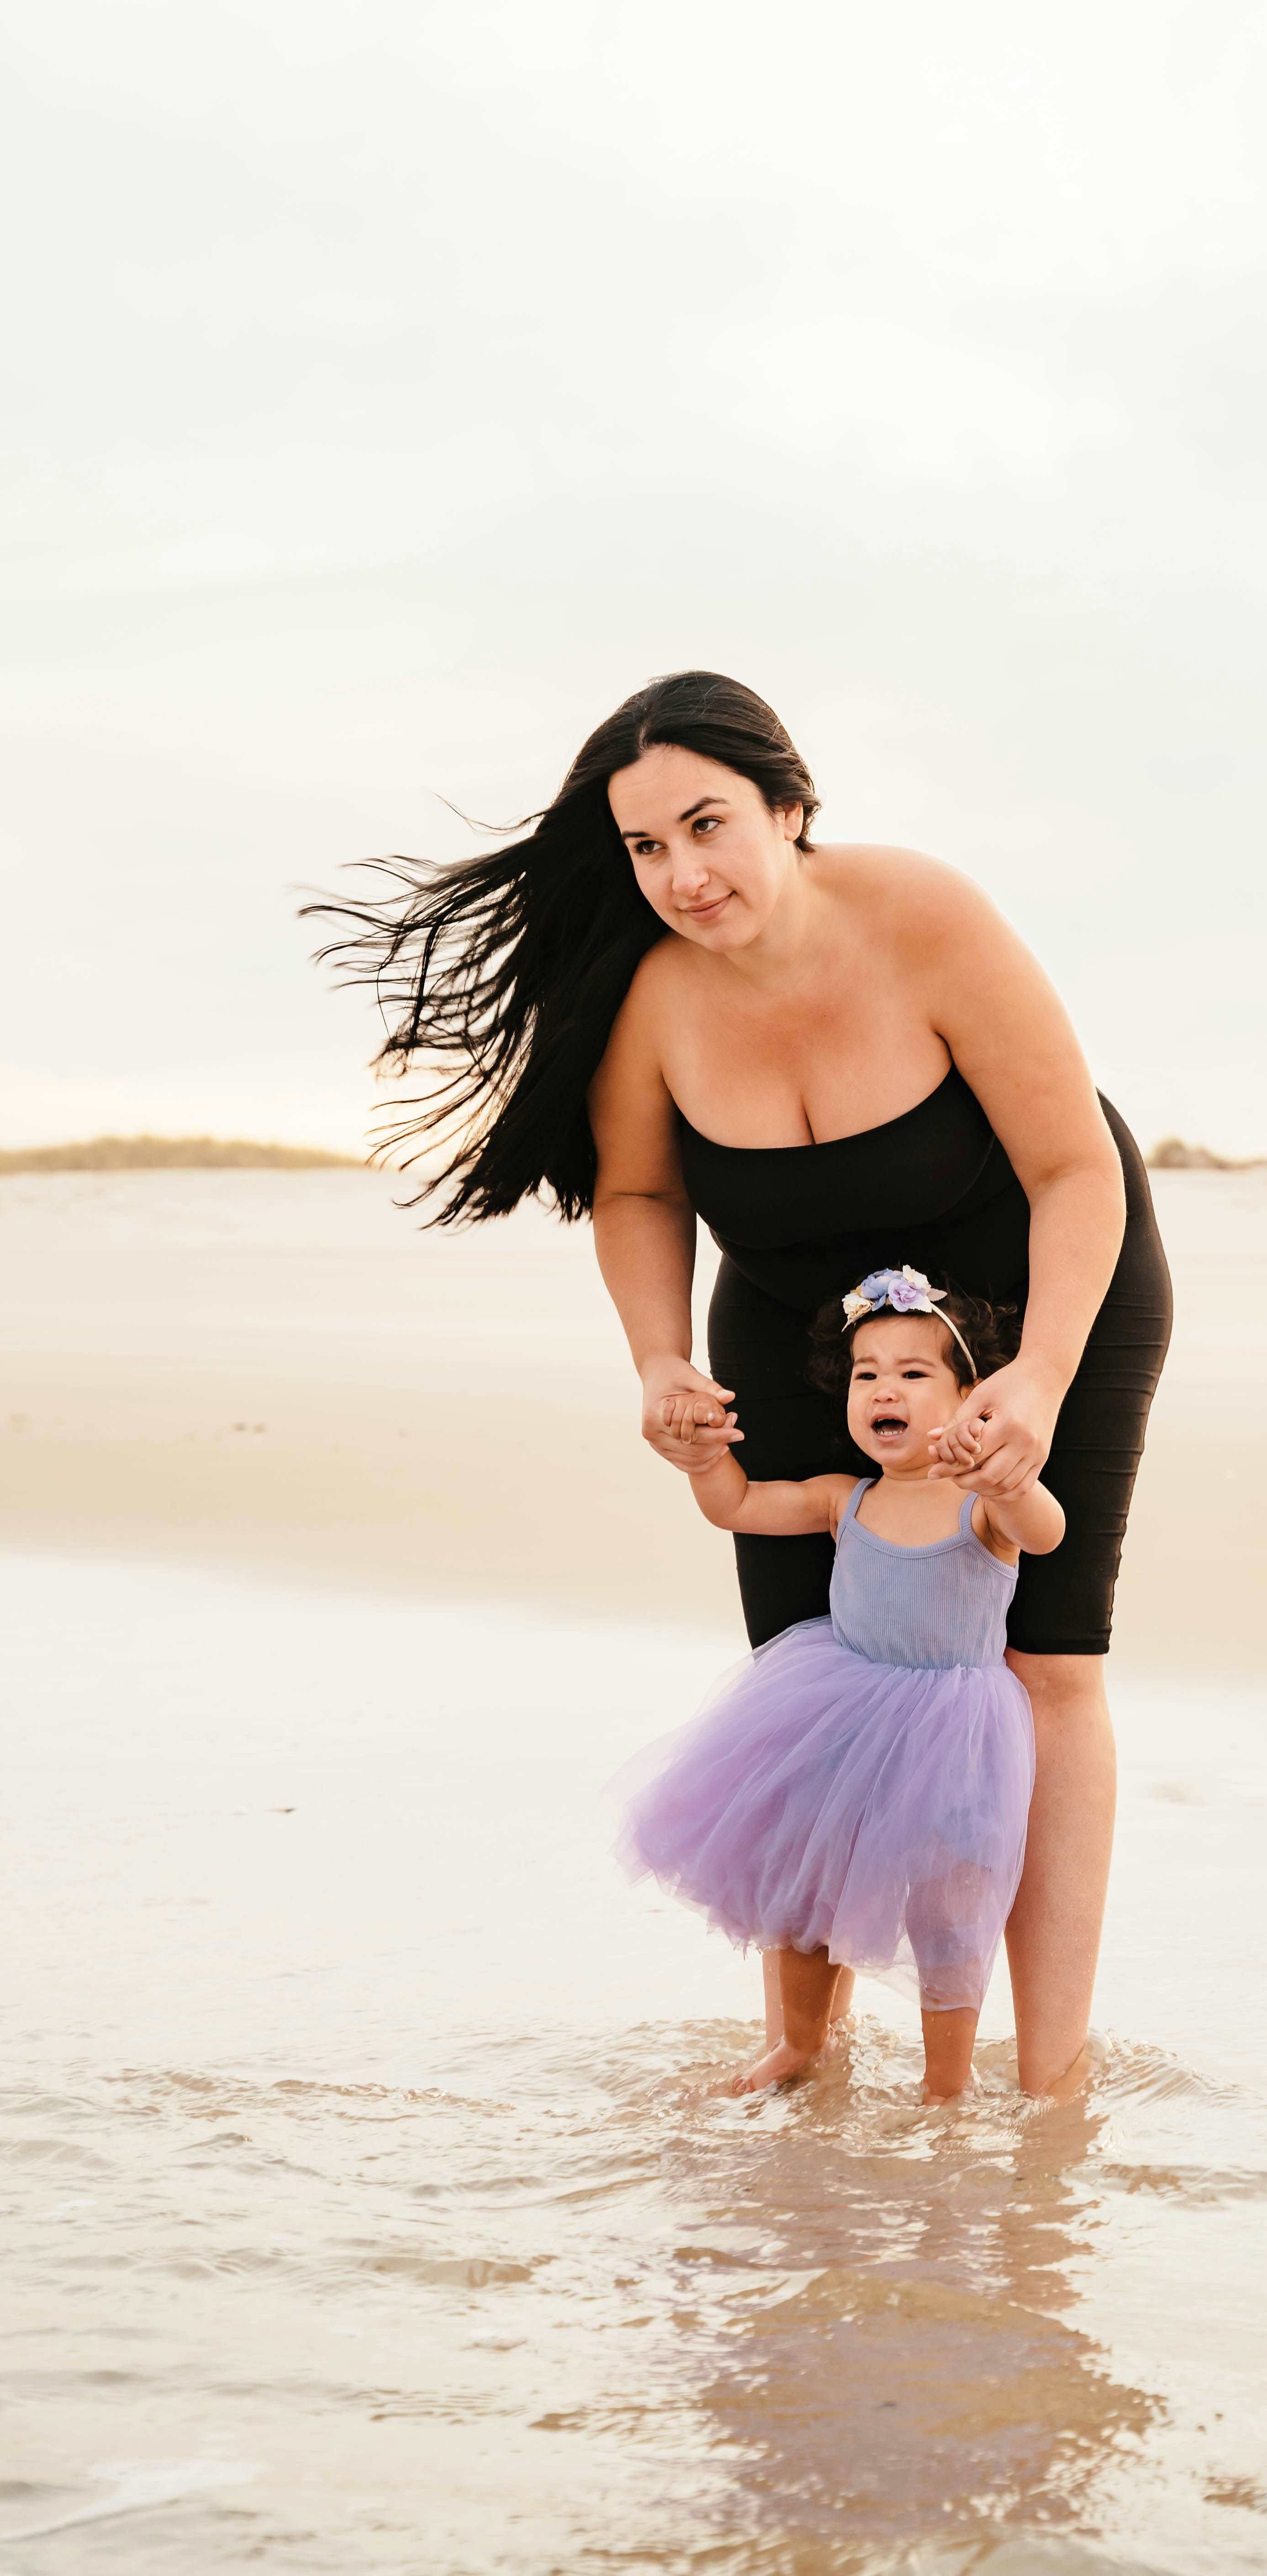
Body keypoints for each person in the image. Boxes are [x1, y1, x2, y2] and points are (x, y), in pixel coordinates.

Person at [307, 669, 1172, 2100]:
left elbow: (1075, 1166)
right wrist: (659, 1362)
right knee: (811, 1671)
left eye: (708, 825)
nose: (683, 875)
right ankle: (801, 2052)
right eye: (647, 847)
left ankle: (1048, 2070)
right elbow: (639, 1191)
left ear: (790, 805)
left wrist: (1036, 1376)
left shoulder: (925, 917)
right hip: (790, 1313)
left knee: (1043, 1661)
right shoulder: (649, 997)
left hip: (1038, 1277)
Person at [611, 1268, 1060, 2102]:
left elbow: (1048, 1531)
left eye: (914, 1373)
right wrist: (706, 1457)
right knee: (802, 1883)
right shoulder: (842, 1500)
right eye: (867, 1375)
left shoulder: (980, 1507)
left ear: (970, 1398)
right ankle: (797, 2043)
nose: (885, 1388)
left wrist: (1009, 1477)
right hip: (836, 1717)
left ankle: (946, 2082)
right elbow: (736, 1507)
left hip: (951, 1730)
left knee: (949, 1910)